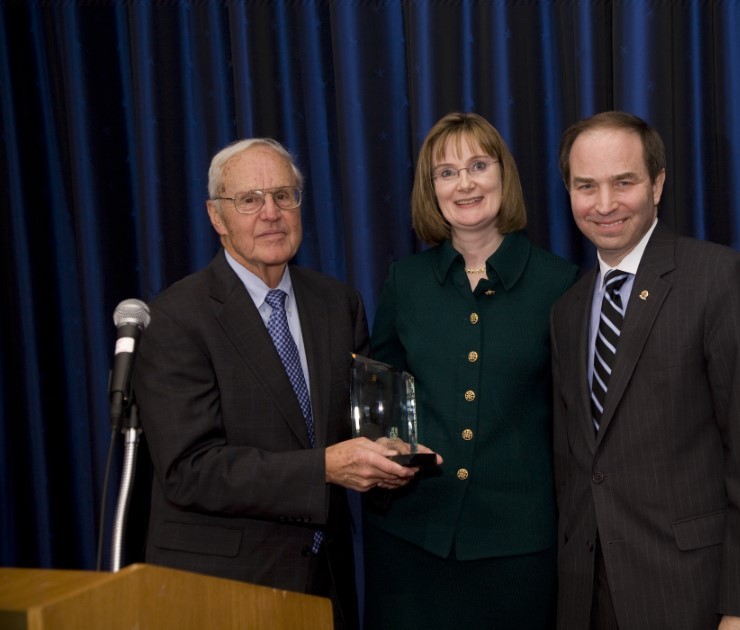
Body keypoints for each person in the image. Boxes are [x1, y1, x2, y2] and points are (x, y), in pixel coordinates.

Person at [134, 138, 424, 630]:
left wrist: (389, 457)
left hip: (324, 582)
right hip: (222, 586)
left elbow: (359, 428)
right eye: (249, 200)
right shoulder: (174, 319)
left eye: (284, 196)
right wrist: (325, 469)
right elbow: (189, 469)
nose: (271, 212)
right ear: (216, 216)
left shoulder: (338, 303)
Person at [551, 111, 740, 630]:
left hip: (694, 594)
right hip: (589, 600)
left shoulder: (720, 280)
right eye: (585, 186)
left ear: (657, 184)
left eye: (624, 182)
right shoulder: (568, 310)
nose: (604, 204)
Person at [364, 112, 579, 629]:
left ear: (503, 175)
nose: (464, 183)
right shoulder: (405, 283)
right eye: (446, 172)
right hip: (411, 541)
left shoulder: (561, 283)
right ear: (429, 188)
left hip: (517, 551)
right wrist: (386, 443)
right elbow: (381, 399)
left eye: (478, 165)